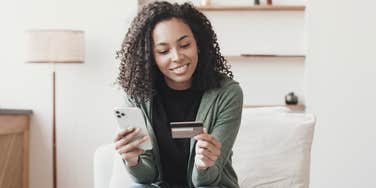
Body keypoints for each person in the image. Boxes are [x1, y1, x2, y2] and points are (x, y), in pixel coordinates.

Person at [114, 1, 243, 188]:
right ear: (151, 56)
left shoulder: (227, 93)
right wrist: (133, 161)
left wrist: (203, 165)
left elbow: (206, 181)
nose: (177, 57)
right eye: (163, 51)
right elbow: (145, 178)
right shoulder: (138, 94)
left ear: (198, 43)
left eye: (184, 45)